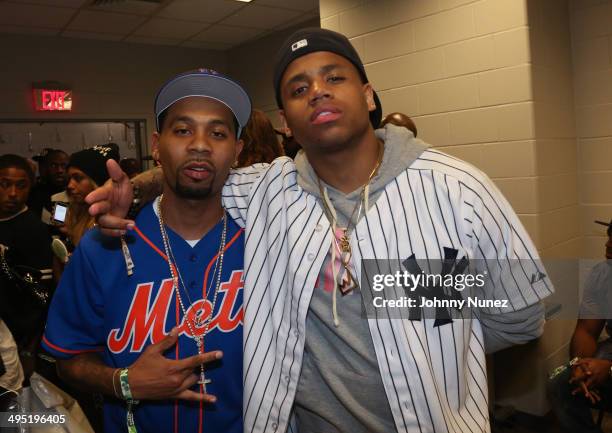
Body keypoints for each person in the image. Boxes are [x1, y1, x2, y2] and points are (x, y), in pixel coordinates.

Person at [88, 28, 552, 433]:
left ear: (368, 96)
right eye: (299, 87)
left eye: (334, 78)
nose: (319, 92)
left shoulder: (456, 189)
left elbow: (519, 317)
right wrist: (131, 191)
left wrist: (438, 332)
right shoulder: (269, 191)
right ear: (286, 122)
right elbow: (200, 173)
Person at [42, 68, 249, 433]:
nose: (200, 144)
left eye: (218, 133)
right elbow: (68, 357)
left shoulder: (266, 243)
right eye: (182, 130)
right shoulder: (103, 245)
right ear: (156, 145)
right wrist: (122, 382)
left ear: (237, 150)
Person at [547, 219, 612, 433]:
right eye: (609, 236)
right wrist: (578, 365)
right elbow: (586, 330)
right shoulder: (602, 274)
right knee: (559, 380)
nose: (608, 245)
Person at [0, 154, 53, 383]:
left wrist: (29, 349)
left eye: (21, 186)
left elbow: (40, 295)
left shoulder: (32, 230)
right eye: (4, 185)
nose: (13, 193)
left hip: (16, 340)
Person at [63, 144, 120, 249]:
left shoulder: (110, 223)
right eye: (69, 178)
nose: (70, 185)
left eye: (78, 178)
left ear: (98, 182)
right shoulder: (75, 213)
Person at [27, 149, 68, 218]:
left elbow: (59, 221)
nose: (59, 170)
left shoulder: (72, 190)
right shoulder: (34, 188)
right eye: (54, 165)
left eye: (63, 165)